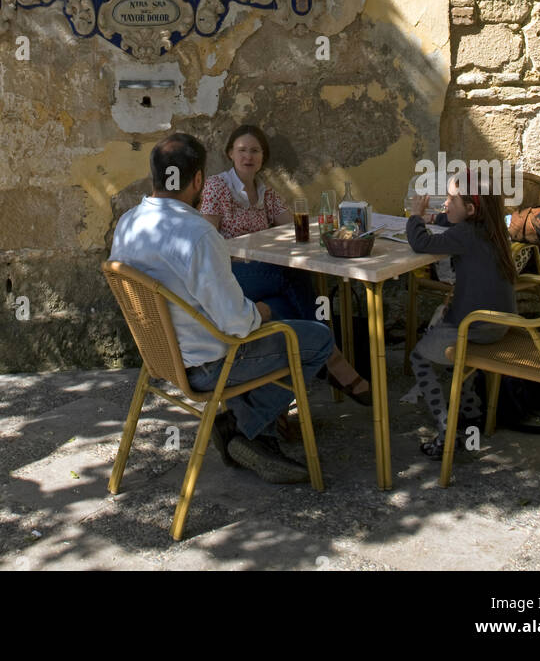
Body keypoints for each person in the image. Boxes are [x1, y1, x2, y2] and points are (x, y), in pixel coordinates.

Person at [110, 132, 333, 484]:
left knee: (279, 306)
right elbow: (238, 325)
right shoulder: (197, 234)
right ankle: (245, 427)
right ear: (198, 179)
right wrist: (264, 312)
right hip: (211, 364)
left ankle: (252, 432)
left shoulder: (127, 223)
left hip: (160, 358)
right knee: (318, 339)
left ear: (154, 175)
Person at [200, 123, 371, 405]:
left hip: (263, 273)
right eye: (242, 150)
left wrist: (331, 229)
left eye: (255, 151)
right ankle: (334, 360)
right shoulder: (217, 186)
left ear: (263, 157)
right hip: (231, 273)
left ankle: (283, 393)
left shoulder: (264, 191)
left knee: (286, 298)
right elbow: (207, 240)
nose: (248, 156)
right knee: (289, 275)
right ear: (230, 153)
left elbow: (293, 226)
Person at [406, 166, 517, 458]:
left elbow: (422, 244)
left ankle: (446, 430)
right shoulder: (491, 227)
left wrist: (416, 217)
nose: (444, 203)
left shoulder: (464, 235)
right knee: (459, 353)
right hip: (501, 324)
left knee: (419, 357)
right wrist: (436, 218)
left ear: (469, 208)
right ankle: (471, 413)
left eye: (451, 200)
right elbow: (452, 219)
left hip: (474, 327)